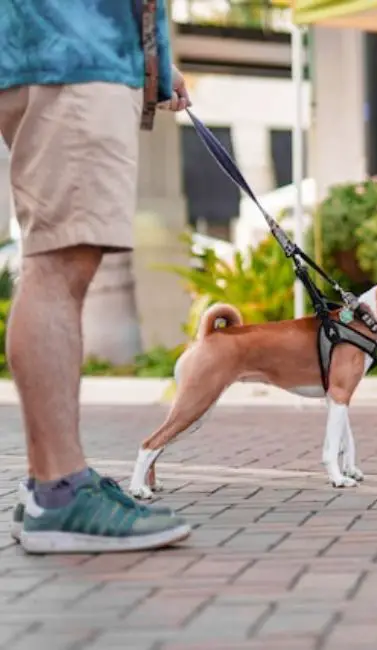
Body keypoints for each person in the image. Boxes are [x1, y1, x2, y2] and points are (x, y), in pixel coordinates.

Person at [1, 1, 194, 554]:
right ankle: (61, 492)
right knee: (59, 263)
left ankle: (49, 485)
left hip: (66, 47)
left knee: (55, 261)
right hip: (73, 50)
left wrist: (150, 60)